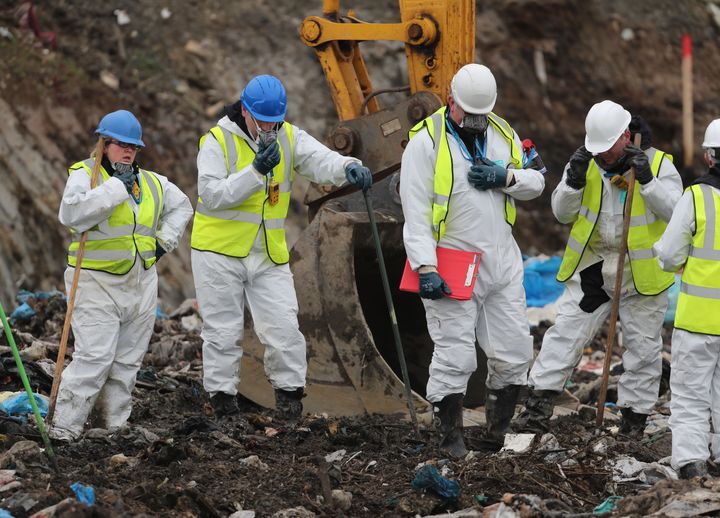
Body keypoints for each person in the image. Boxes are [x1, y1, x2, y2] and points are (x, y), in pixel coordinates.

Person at [191, 74, 372, 420]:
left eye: (275, 121)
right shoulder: (217, 142)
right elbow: (212, 197)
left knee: (285, 326)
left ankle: (289, 404)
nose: (269, 128)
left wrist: (349, 167)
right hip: (218, 252)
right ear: (245, 111)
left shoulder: (288, 136)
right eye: (263, 121)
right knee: (223, 332)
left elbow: (321, 160)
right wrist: (256, 171)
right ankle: (223, 405)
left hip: (267, 253)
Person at [399, 63, 546, 456]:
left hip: (501, 259)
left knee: (515, 351)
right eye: (471, 115)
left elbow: (537, 180)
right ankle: (450, 439)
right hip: (453, 261)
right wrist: (424, 267)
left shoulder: (501, 132)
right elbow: (414, 215)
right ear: (451, 103)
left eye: (484, 114)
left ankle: (496, 434)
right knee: (455, 355)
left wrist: (506, 178)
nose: (478, 123)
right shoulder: (426, 144)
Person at [518, 101, 683, 437]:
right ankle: (536, 409)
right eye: (599, 149)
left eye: (608, 149)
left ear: (626, 135)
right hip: (593, 269)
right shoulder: (584, 162)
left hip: (640, 276)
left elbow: (677, 215)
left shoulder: (659, 164)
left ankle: (633, 421)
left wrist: (648, 182)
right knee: (564, 336)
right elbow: (561, 213)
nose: (603, 156)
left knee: (642, 348)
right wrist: (572, 183)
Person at [51, 109, 193, 441]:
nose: (128, 152)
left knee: (127, 362)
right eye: (120, 145)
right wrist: (115, 188)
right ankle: (63, 429)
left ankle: (112, 428)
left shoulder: (154, 184)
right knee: (94, 358)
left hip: (140, 283)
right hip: (94, 282)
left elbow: (183, 205)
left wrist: (163, 243)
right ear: (103, 144)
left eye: (133, 146)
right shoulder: (85, 175)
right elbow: (71, 214)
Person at [654, 119, 720, 479]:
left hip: (697, 322)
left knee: (692, 396)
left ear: (709, 157)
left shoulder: (697, 197)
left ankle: (692, 463)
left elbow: (668, 255)